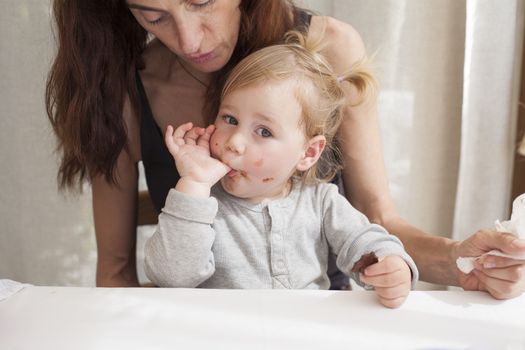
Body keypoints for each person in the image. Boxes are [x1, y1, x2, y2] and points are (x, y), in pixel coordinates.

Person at [45, 0, 525, 298]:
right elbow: (116, 272)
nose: (188, 41)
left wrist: (463, 261)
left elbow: (376, 224)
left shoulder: (331, 50)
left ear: (309, 151)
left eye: (203, 1)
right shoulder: (122, 83)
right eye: (154, 16)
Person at [144, 31, 418, 308]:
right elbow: (170, 277)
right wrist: (195, 182)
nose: (235, 142)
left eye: (263, 131)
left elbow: (362, 240)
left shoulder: (321, 202)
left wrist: (390, 262)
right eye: (230, 118)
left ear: (309, 153)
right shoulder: (200, 204)